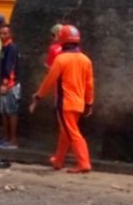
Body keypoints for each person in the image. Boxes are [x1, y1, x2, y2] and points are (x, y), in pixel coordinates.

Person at [30, 24, 94, 173]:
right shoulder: (86, 60)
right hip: (79, 104)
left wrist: (38, 96)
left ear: (63, 40)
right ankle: (58, 160)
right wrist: (89, 103)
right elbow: (89, 85)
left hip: (64, 104)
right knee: (66, 132)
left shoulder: (61, 59)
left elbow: (49, 81)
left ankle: (84, 163)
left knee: (72, 133)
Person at [0, 26, 20, 148]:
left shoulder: (11, 48)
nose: (2, 36)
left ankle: (13, 140)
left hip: (11, 85)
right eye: (0, 33)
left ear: (10, 34)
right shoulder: (4, 48)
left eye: (5, 33)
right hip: (5, 84)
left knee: (12, 112)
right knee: (4, 112)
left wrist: (6, 84)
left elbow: (10, 68)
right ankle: (6, 138)